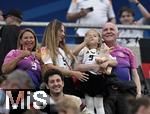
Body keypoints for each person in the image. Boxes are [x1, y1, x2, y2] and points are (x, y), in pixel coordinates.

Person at [73, 29, 117, 114]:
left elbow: (115, 62)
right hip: (87, 77)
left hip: (99, 77)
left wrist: (107, 62)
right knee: (89, 105)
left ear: (99, 40)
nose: (91, 37)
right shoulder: (84, 50)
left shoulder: (102, 50)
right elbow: (74, 53)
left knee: (99, 105)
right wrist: (84, 43)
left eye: (94, 35)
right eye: (88, 36)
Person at [40, 19, 88, 95]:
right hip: (55, 84)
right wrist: (73, 73)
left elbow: (73, 54)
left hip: (68, 83)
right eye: (61, 31)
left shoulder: (63, 49)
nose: (63, 34)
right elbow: (50, 67)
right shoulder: (44, 50)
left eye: (64, 32)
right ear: (53, 31)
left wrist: (85, 42)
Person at [102, 22, 142, 114]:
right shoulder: (96, 51)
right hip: (106, 93)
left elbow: (135, 74)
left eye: (112, 29)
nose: (108, 31)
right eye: (105, 30)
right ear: (101, 34)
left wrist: (139, 93)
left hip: (125, 92)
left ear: (118, 34)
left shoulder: (127, 51)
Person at [0, 9, 23, 75]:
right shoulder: (23, 32)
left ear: (11, 18)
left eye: (6, 18)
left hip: (5, 69)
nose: (5, 20)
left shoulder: (6, 29)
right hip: (17, 70)